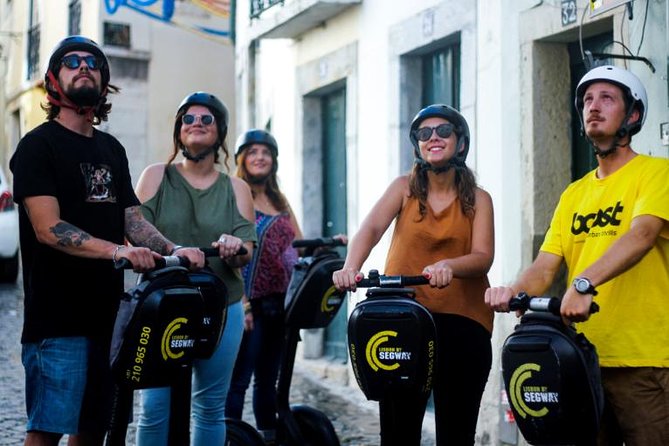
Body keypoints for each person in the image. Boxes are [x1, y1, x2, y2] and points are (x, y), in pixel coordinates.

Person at [9, 36, 204, 446]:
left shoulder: (111, 149)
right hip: (57, 321)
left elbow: (131, 219)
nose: (84, 66)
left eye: (93, 62)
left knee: (93, 430)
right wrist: (117, 251)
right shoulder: (36, 147)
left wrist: (173, 250)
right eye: (72, 61)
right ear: (53, 80)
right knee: (45, 432)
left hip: (111, 320)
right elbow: (49, 228)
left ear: (104, 80)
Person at [485, 65, 669, 445]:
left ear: (632, 115)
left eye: (606, 98)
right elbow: (545, 265)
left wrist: (584, 283)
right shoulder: (574, 194)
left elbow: (643, 234)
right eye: (587, 100)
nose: (593, 107)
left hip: (645, 361)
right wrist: (512, 291)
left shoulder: (656, 173)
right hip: (578, 358)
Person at [333, 104, 495, 446]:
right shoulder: (403, 189)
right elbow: (372, 228)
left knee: (456, 430)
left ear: (461, 143)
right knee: (397, 429)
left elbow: (483, 257)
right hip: (403, 319)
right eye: (425, 134)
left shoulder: (479, 199)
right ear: (417, 145)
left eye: (443, 132)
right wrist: (351, 267)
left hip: (462, 320)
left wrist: (450, 266)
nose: (433, 138)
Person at [133, 92, 257, 445]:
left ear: (219, 133)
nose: (196, 124)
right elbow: (134, 238)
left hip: (222, 305)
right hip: (162, 305)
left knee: (209, 406)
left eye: (206, 119)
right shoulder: (156, 177)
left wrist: (234, 250)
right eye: (188, 119)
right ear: (178, 131)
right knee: (155, 405)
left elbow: (246, 252)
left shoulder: (237, 188)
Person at [224, 129, 304, 445]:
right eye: (253, 152)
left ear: (274, 161)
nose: (260, 157)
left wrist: (330, 246)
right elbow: (231, 253)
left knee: (268, 381)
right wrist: (241, 303)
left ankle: (267, 439)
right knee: (239, 379)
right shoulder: (235, 194)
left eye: (266, 153)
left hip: (280, 303)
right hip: (249, 303)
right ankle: (230, 438)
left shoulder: (279, 200)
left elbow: (299, 243)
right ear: (243, 158)